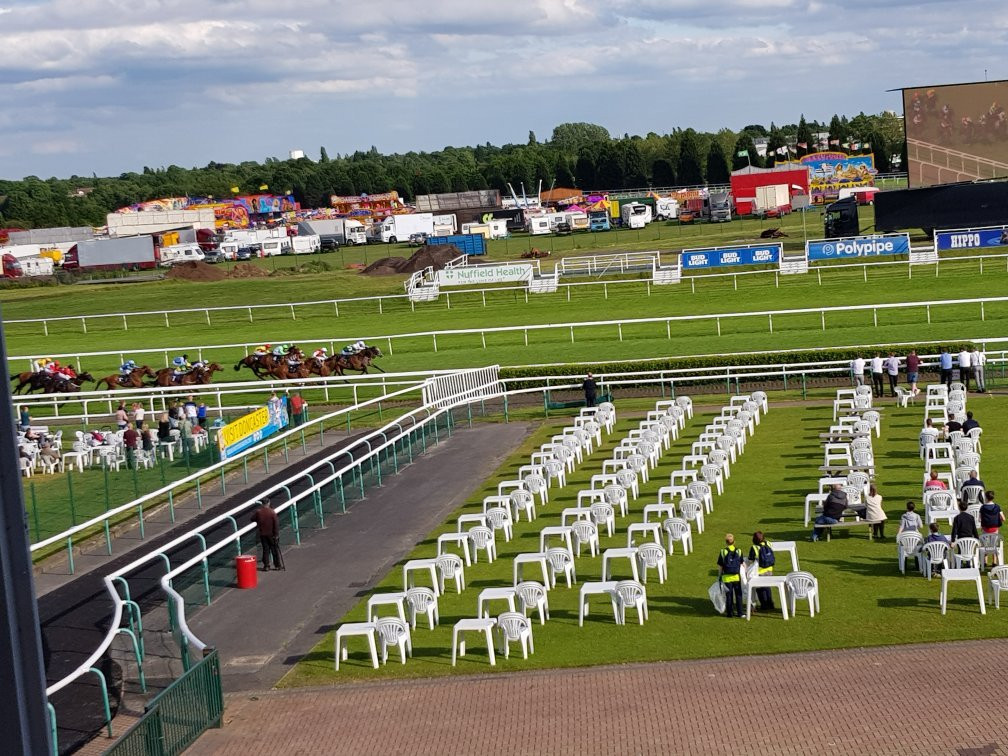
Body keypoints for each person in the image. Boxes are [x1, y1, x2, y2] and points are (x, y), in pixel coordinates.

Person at [717, 534, 744, 618]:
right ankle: (740, 613)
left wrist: (719, 575)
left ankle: (730, 613)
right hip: (736, 576)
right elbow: (742, 563)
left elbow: (720, 566)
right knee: (738, 595)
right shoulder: (739, 551)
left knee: (729, 596)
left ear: (726, 542)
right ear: (734, 542)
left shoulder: (723, 551)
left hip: (726, 577)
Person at [251, 499, 283, 571]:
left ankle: (266, 566)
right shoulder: (272, 512)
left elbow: (252, 519)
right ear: (268, 503)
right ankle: (277, 565)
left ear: (262, 504)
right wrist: (276, 534)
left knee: (266, 550)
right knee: (274, 550)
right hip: (272, 534)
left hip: (262, 534)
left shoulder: (258, 512)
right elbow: (276, 524)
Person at [748, 531, 775, 611]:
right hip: (770, 569)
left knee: (760, 588)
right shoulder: (768, 543)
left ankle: (764, 605)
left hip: (760, 571)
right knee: (767, 587)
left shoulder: (755, 548)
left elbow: (750, 559)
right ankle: (770, 604)